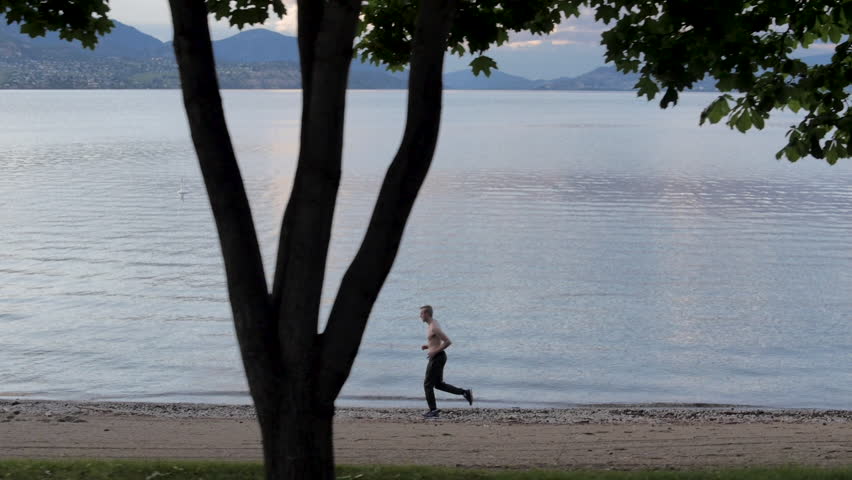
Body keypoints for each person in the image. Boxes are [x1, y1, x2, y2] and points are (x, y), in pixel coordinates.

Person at [419, 305, 473, 418]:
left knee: (427, 384)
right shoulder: (433, 324)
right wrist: (428, 346)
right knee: (438, 384)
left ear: (427, 314)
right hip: (438, 356)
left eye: (421, 313)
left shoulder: (434, 327)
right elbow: (436, 341)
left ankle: (433, 411)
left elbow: (448, 341)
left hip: (437, 357)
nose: (420, 316)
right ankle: (464, 392)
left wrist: (434, 352)